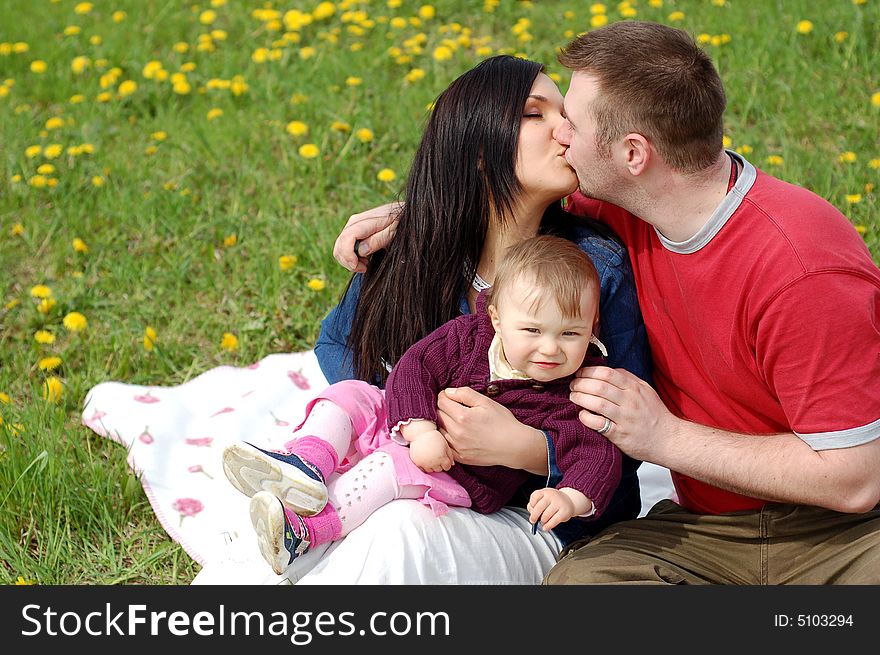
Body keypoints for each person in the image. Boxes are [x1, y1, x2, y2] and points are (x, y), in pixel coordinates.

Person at [337, 21, 880, 584]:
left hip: (842, 534)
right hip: (704, 531)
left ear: (633, 153)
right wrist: (422, 215)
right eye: (547, 116)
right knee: (580, 588)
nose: (562, 134)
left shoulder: (802, 269)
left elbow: (856, 479)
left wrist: (663, 436)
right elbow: (500, 194)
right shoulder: (627, 206)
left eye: (572, 120)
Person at [295, 54, 652, 584]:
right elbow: (342, 350)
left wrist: (528, 449)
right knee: (320, 523)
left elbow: (624, 442)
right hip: (420, 475)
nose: (566, 130)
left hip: (541, 523)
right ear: (477, 146)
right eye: (536, 114)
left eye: (568, 115)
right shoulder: (413, 253)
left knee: (400, 533)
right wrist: (416, 419)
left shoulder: (593, 269)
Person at [223, 235, 623, 575]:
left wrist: (569, 497)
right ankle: (305, 463)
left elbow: (597, 456)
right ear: (498, 319)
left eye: (571, 333)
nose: (550, 348)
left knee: (387, 468)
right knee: (350, 394)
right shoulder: (468, 337)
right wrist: (420, 428)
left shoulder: (573, 393)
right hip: (417, 426)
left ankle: (306, 530)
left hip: (462, 474)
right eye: (533, 330)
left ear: (592, 330)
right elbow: (414, 368)